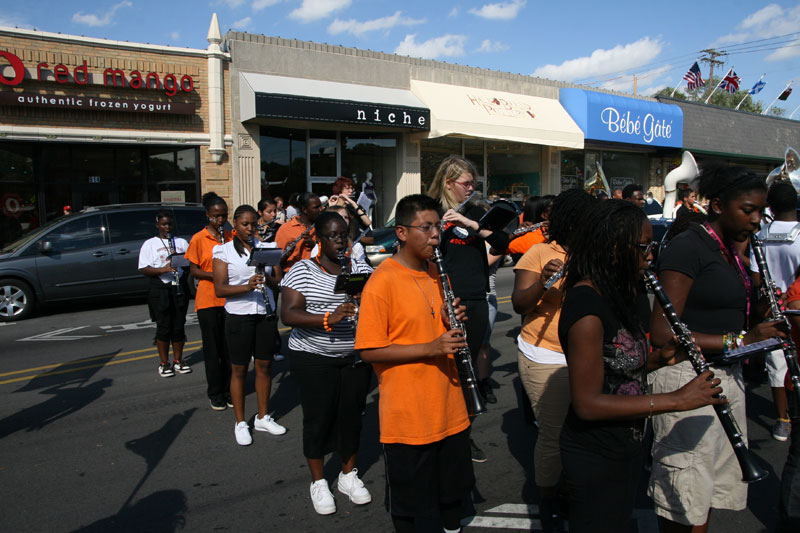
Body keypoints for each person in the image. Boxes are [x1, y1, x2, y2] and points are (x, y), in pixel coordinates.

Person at [558, 199, 725, 533]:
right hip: (595, 454)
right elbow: (587, 403)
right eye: (644, 246)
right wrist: (678, 399)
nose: (650, 255)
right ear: (613, 248)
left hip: (625, 446)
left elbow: (618, 368)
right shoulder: (586, 308)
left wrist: (663, 358)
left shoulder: (619, 294)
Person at [648, 165, 786, 532]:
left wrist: (762, 309)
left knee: (705, 494)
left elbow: (731, 317)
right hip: (686, 377)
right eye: (748, 210)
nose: (756, 220)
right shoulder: (689, 246)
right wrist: (742, 340)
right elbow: (662, 333)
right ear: (719, 206)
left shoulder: (732, 250)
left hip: (725, 375)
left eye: (761, 211)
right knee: (684, 496)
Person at [356, 194, 474, 533]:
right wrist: (431, 347)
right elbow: (369, 350)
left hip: (449, 405)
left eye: (438, 227)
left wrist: (453, 321)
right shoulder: (382, 281)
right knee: (409, 504)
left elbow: (438, 327)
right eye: (426, 227)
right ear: (402, 233)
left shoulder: (438, 273)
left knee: (452, 494)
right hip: (408, 415)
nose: (435, 235)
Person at [280, 211, 374, 515]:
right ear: (319, 239)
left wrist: (366, 300)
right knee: (318, 419)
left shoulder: (359, 267)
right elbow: (289, 314)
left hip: (353, 357)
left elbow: (379, 299)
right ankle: (319, 481)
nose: (340, 242)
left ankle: (348, 475)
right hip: (313, 357)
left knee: (351, 416)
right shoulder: (303, 270)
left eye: (343, 235)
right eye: (332, 236)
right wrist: (326, 318)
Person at [512, 189, 595, 530]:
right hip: (545, 354)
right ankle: (549, 499)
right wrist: (544, 282)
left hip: (587, 354)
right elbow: (519, 303)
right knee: (554, 434)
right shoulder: (540, 252)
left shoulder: (597, 253)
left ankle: (573, 488)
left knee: (584, 430)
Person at [428, 155, 509, 463]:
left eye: (474, 183)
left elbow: (503, 241)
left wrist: (473, 225)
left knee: (469, 369)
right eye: (466, 183)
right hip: (443, 299)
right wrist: (440, 228)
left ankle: (463, 432)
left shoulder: (476, 211)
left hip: (475, 297)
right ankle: (439, 430)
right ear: (449, 183)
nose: (471, 188)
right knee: (442, 369)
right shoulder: (432, 209)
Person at [213, 205, 286, 445]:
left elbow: (278, 282)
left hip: (264, 313)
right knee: (239, 369)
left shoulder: (267, 247)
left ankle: (263, 417)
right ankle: (241, 421)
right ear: (235, 224)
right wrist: (247, 286)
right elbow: (220, 288)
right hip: (239, 316)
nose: (250, 228)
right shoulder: (223, 251)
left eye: (254, 224)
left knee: (264, 366)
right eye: (245, 224)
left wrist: (268, 277)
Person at [748, 181, 800, 441]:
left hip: (773, 306)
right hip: (797, 305)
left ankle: (783, 419)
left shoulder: (760, 235)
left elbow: (756, 276)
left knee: (777, 366)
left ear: (771, 206)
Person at [186, 193, 232, 409]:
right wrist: (215, 275)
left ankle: (230, 388)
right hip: (208, 300)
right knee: (213, 349)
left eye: (224, 216)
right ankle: (215, 392)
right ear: (208, 216)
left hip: (229, 300)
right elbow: (194, 270)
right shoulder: (199, 238)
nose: (220, 220)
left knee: (229, 348)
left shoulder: (230, 237)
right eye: (216, 216)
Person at [138, 209, 190, 378]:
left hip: (178, 287)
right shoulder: (150, 244)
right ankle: (164, 363)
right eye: (164, 224)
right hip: (160, 288)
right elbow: (144, 268)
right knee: (164, 326)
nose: (167, 227)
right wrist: (163, 269)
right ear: (157, 225)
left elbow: (190, 263)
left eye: (170, 224)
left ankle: (178, 360)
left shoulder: (181, 242)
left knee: (179, 325)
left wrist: (180, 260)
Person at [275, 192, 323, 272]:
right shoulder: (286, 229)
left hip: (317, 274)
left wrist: (314, 245)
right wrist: (287, 254)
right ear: (304, 210)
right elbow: (276, 262)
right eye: (316, 207)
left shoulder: (323, 226)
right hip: (293, 275)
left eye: (320, 206)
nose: (320, 210)